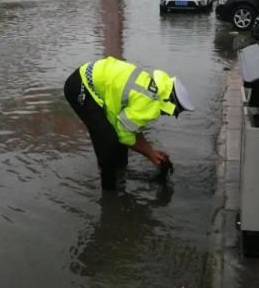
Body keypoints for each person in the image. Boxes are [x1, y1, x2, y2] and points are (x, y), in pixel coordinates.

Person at [64, 56, 194, 191]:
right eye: (174, 113)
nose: (170, 115)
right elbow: (124, 134)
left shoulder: (155, 88)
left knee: (116, 138)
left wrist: (151, 151)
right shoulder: (150, 103)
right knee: (109, 141)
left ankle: (120, 173)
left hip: (91, 79)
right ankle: (109, 196)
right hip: (80, 87)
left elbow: (130, 127)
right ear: (171, 104)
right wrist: (149, 153)